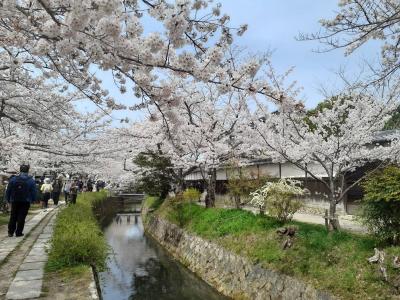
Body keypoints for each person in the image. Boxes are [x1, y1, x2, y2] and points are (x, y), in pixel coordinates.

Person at [6, 165, 37, 237]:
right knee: (22, 216)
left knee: (13, 215)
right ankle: (18, 232)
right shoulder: (31, 180)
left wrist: (8, 199)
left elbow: (8, 190)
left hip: (14, 200)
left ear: (20, 170)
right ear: (28, 171)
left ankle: (10, 232)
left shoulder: (13, 179)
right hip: (25, 201)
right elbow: (34, 191)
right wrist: (33, 200)